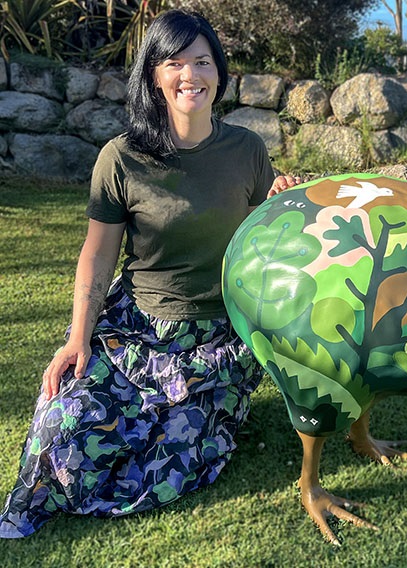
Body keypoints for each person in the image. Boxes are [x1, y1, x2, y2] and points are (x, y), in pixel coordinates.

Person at [0, 9, 301, 538]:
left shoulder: (247, 151)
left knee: (174, 461)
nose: (191, 75)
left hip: (218, 338)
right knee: (61, 429)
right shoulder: (121, 158)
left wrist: (284, 204)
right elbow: (97, 254)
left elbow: (267, 243)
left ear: (219, 72)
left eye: (202, 61)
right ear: (154, 76)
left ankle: (208, 410)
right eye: (175, 62)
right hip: (136, 330)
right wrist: (78, 337)